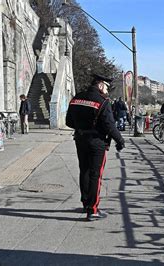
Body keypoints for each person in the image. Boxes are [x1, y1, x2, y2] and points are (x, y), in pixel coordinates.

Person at [66, 74, 125, 221]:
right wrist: (120, 140)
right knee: (95, 175)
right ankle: (93, 210)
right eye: (106, 87)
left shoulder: (76, 98)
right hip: (97, 142)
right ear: (100, 85)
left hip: (80, 139)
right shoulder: (103, 101)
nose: (107, 90)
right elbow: (109, 125)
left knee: (84, 171)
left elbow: (68, 121)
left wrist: (82, 127)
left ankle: (86, 203)